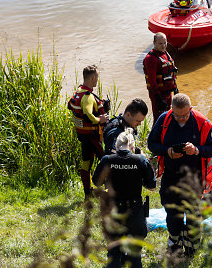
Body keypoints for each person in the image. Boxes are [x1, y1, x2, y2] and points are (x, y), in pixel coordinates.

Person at [147, 93, 212, 258]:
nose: (181, 119)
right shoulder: (164, 120)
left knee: (193, 215)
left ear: (191, 109)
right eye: (177, 115)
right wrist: (168, 151)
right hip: (171, 175)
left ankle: (192, 248)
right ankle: (174, 247)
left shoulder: (202, 122)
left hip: (194, 178)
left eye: (185, 115)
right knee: (173, 214)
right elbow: (151, 144)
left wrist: (197, 150)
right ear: (171, 110)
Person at [92, 128, 156, 268]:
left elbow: (96, 182)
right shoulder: (140, 160)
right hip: (135, 212)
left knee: (114, 253)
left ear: (116, 145)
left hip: (114, 211)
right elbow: (152, 185)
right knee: (135, 255)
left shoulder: (107, 160)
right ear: (132, 146)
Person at [67, 65, 109, 197]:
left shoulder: (78, 92)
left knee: (86, 162)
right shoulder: (88, 97)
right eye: (97, 77)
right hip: (93, 135)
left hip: (83, 135)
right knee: (106, 160)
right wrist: (100, 120)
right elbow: (87, 115)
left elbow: (70, 106)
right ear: (93, 77)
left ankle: (87, 192)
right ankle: (109, 191)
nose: (97, 80)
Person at [143, 32, 178, 125]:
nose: (163, 46)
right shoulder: (150, 59)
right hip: (158, 95)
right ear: (154, 43)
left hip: (168, 92)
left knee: (169, 117)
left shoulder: (165, 53)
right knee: (159, 119)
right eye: (160, 43)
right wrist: (159, 99)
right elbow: (152, 81)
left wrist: (175, 88)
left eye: (165, 43)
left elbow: (171, 73)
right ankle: (155, 138)